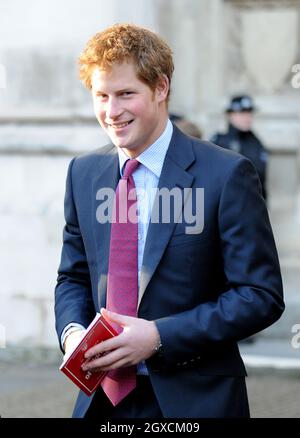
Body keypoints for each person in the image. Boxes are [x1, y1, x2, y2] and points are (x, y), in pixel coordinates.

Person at [55, 24, 284, 418]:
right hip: (100, 404)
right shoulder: (83, 173)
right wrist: (73, 334)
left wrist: (160, 337)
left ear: (161, 88)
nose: (112, 112)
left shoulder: (227, 174)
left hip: (196, 401)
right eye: (101, 96)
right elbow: (72, 278)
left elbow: (259, 295)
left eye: (127, 94)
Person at [210, 95, 268, 199]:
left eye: (249, 113)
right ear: (230, 115)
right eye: (242, 113)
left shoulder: (256, 141)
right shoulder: (219, 142)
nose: (247, 118)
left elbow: (261, 180)